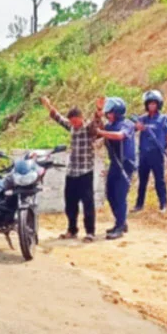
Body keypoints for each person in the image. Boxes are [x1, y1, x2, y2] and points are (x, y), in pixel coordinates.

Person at [41, 97, 100, 242]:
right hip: (72, 171)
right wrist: (48, 106)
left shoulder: (88, 128)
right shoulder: (72, 127)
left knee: (88, 203)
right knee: (70, 203)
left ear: (81, 118)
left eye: (76, 121)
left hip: (85, 171)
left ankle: (90, 232)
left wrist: (99, 111)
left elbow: (96, 123)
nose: (74, 124)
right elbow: (58, 118)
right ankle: (72, 230)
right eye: (72, 122)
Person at [96, 97, 136, 240]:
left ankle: (119, 226)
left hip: (125, 164)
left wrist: (101, 133)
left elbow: (119, 136)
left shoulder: (127, 124)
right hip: (114, 164)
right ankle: (121, 221)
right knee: (110, 194)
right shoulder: (109, 126)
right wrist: (99, 112)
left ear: (117, 112)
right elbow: (98, 130)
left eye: (110, 112)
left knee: (120, 195)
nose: (108, 115)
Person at [133, 90, 167, 214]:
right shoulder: (142, 119)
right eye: (149, 103)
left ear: (158, 104)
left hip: (157, 153)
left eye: (154, 104)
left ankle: (163, 204)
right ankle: (139, 205)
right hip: (144, 154)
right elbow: (131, 129)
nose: (151, 106)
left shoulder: (164, 119)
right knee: (142, 180)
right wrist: (137, 127)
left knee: (159, 180)